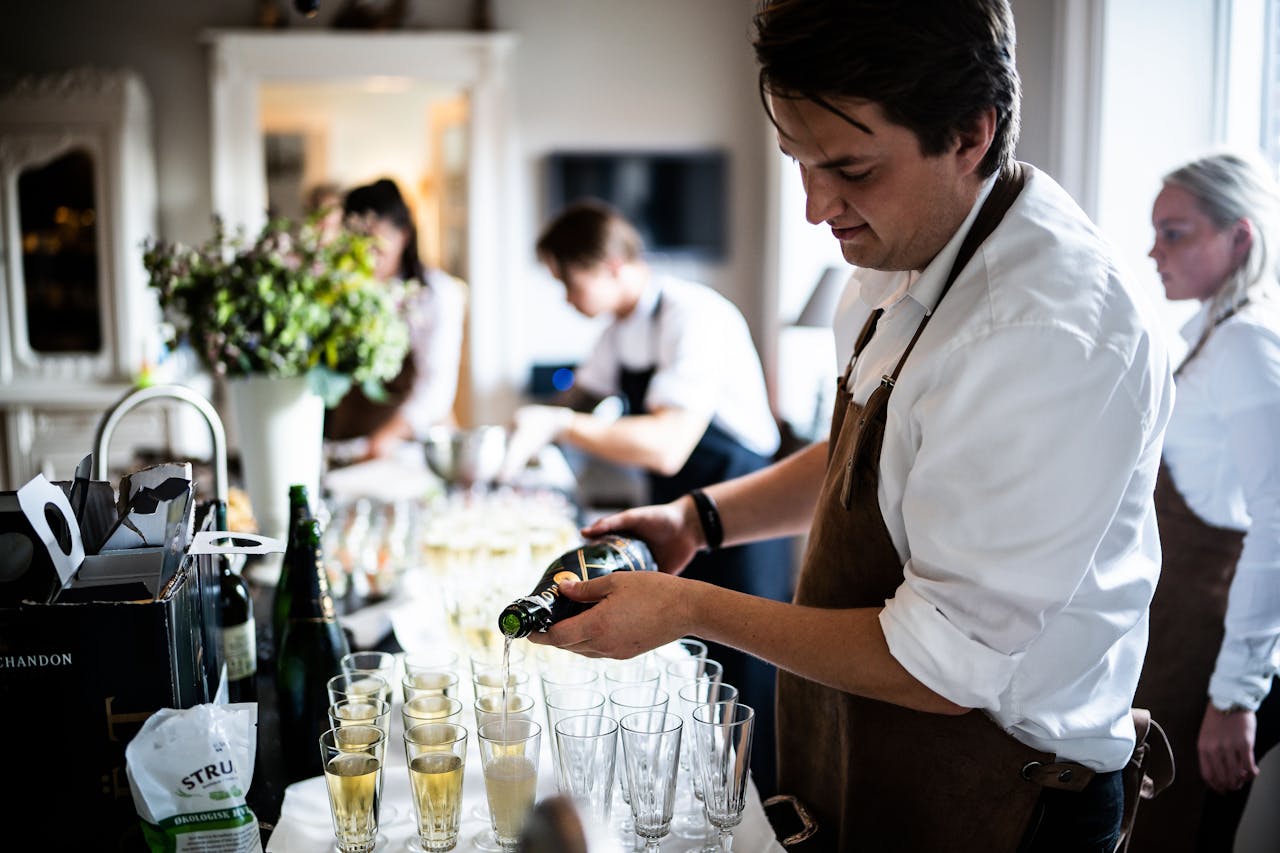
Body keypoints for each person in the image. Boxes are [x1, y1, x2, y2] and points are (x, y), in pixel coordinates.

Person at [523, 1, 1177, 850]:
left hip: (1006, 799)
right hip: (871, 753)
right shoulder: (904, 257)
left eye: (853, 169)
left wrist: (685, 607)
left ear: (971, 133)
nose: (814, 206)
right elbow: (861, 456)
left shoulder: (1049, 333)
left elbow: (943, 666)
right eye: (797, 161)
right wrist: (700, 518)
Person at [503, 199, 794, 796]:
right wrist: (529, 423)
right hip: (675, 516)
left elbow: (666, 445)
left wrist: (555, 428)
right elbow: (578, 400)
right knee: (686, 668)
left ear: (610, 265)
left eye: (567, 279)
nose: (563, 296)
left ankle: (762, 809)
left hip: (740, 510)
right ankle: (705, 797)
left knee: (742, 680)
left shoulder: (695, 316)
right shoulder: (619, 331)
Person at [1127, 152, 1280, 852]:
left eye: (1175, 232)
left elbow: (1276, 522)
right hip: (1169, 628)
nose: (1154, 250)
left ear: (1240, 238)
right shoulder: (1207, 338)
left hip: (1205, 643)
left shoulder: (1249, 344)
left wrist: (1235, 694)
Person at [323, 178, 467, 458]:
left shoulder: (436, 294)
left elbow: (435, 388)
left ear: (403, 235)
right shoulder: (336, 290)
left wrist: (384, 439)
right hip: (346, 439)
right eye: (355, 241)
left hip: (411, 444)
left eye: (375, 242)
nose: (365, 253)